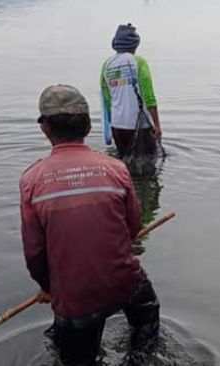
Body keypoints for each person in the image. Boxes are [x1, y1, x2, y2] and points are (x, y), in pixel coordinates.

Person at [20, 84, 160, 366]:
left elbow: (34, 254)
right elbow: (133, 228)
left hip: (74, 300)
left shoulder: (31, 181)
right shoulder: (116, 169)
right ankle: (141, 356)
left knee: (74, 353)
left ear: (45, 129)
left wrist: (48, 287)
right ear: (87, 125)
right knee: (147, 316)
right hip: (124, 282)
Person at [101, 23, 161, 159]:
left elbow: (107, 98)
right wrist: (157, 125)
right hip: (140, 125)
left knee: (124, 165)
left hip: (117, 125)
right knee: (148, 166)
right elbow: (149, 96)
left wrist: (112, 123)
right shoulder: (139, 62)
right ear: (135, 44)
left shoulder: (107, 64)